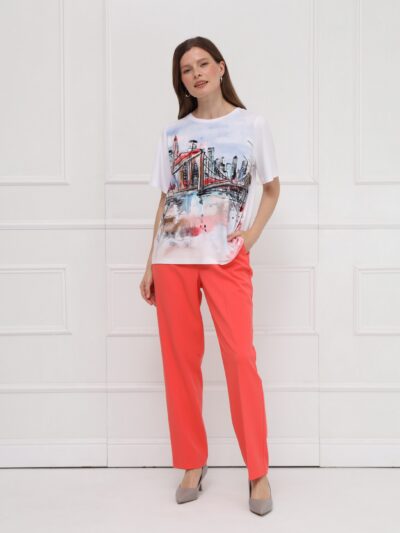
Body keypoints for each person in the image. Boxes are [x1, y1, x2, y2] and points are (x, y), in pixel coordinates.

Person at [139, 36, 280, 516]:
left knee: (240, 359)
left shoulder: (252, 125)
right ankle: (191, 463)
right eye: (186, 69)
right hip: (173, 257)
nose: (196, 73)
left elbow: (272, 189)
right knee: (180, 363)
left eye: (203, 64)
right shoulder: (172, 133)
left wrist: (250, 236)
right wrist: (149, 262)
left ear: (221, 68)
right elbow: (166, 198)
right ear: (181, 81)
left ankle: (257, 470)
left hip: (226, 258)